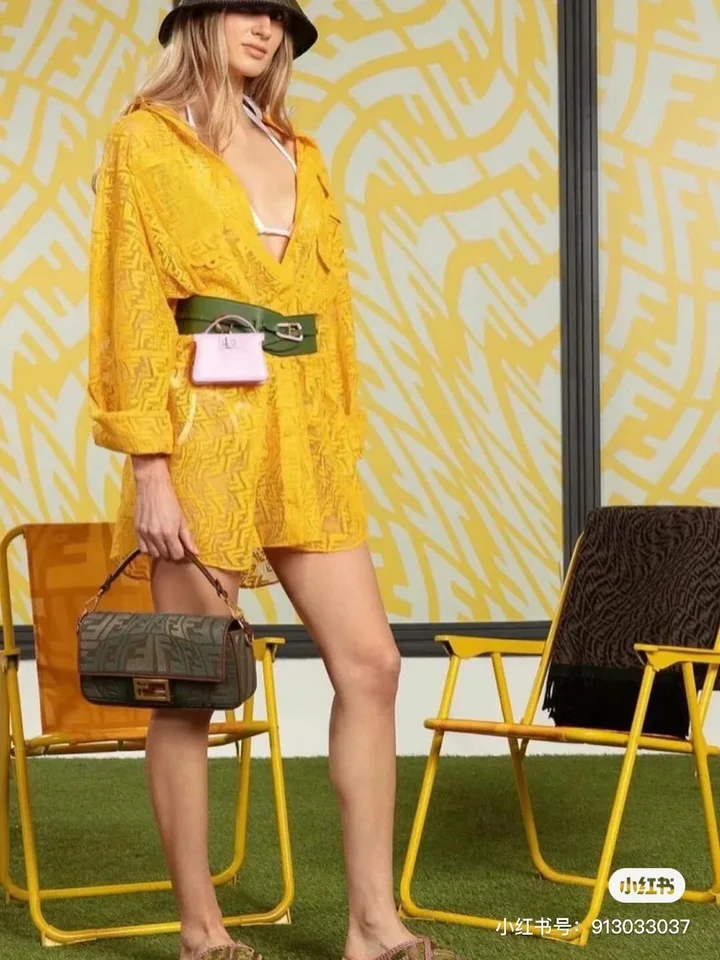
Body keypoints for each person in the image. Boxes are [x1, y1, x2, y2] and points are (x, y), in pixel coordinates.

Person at [88, 3, 462, 960]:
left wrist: (339, 431)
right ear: (199, 19)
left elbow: (331, 304)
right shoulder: (145, 140)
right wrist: (149, 467)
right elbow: (129, 306)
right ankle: (201, 931)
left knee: (372, 665)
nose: (265, 28)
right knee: (189, 684)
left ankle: (372, 925)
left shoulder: (302, 147)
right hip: (201, 433)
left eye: (279, 17)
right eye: (246, 8)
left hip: (303, 432)